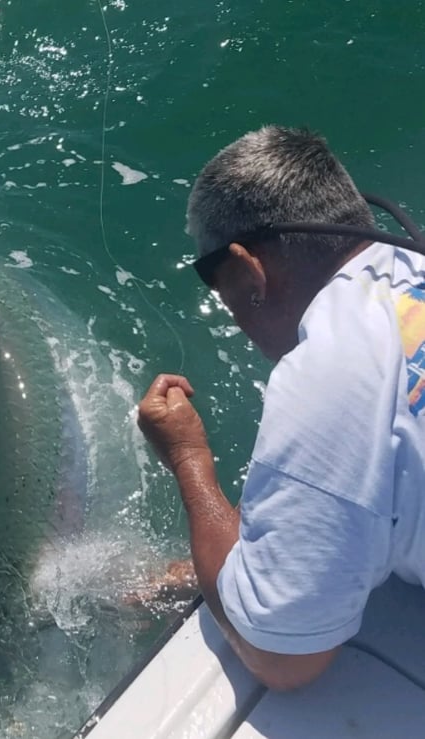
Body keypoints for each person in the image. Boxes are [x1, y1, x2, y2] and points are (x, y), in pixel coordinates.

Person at [137, 125, 425, 691]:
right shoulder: (407, 269)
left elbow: (283, 657)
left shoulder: (329, 374)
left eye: (221, 292)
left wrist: (188, 457)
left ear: (248, 274)